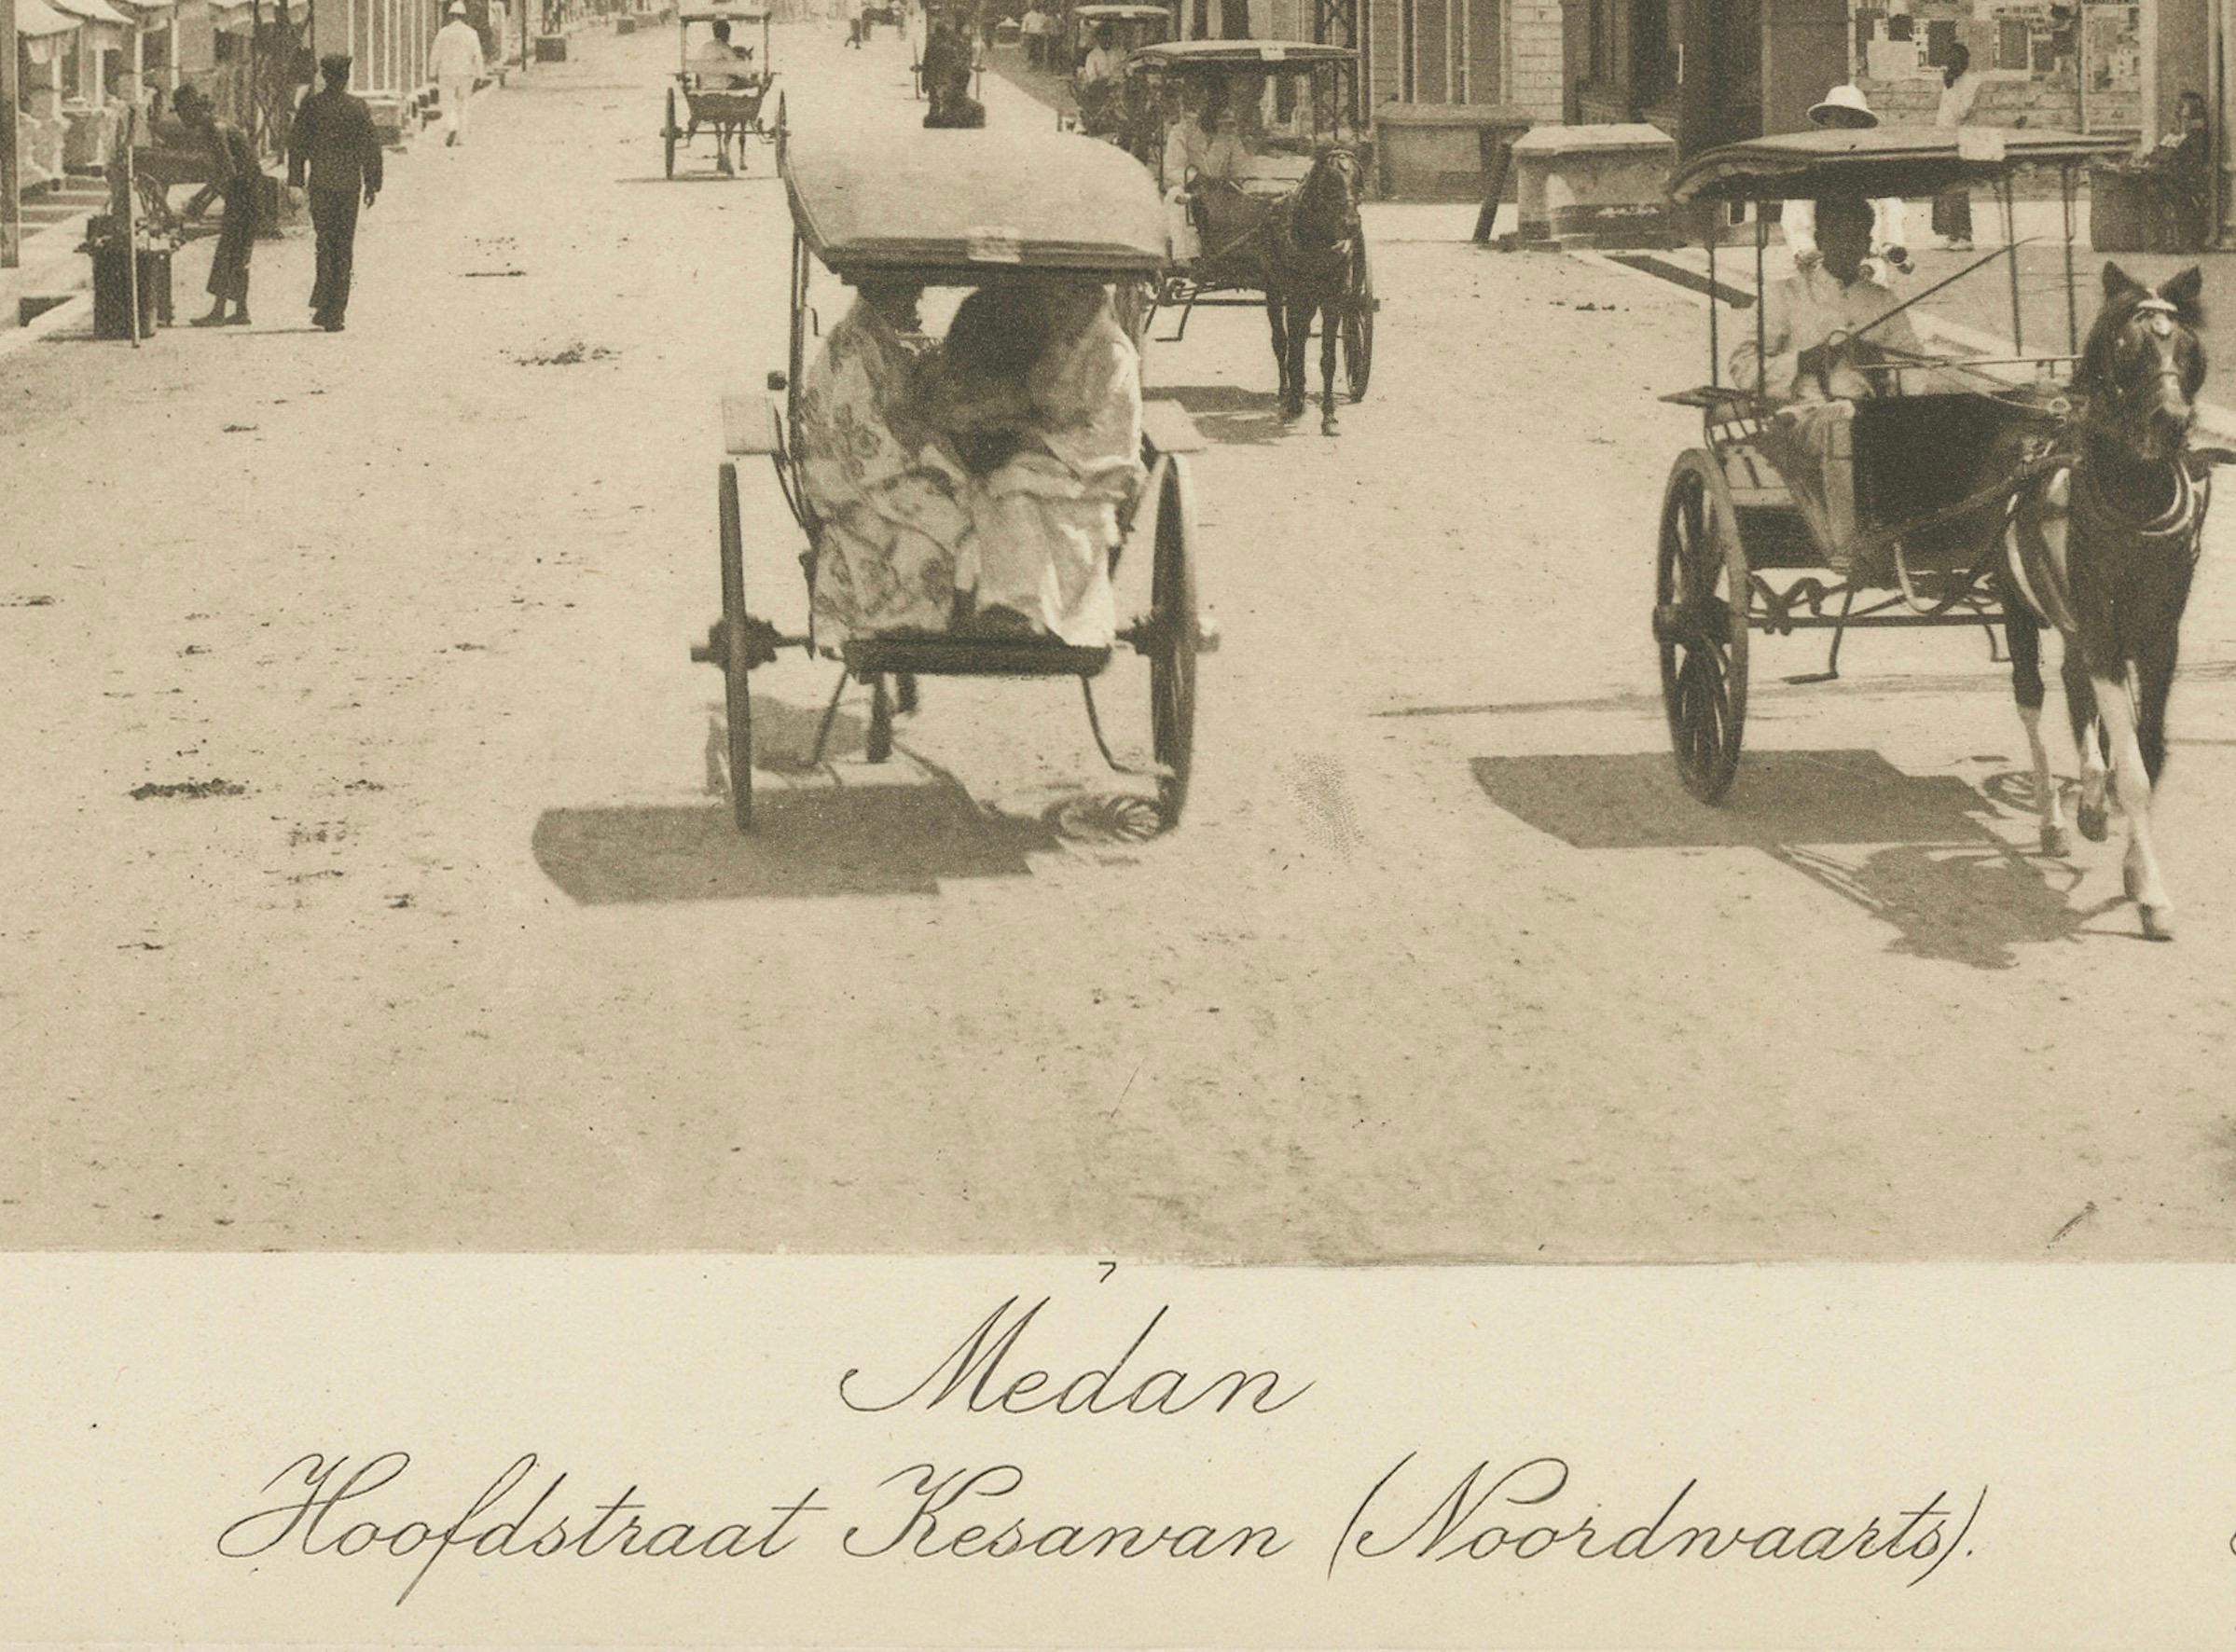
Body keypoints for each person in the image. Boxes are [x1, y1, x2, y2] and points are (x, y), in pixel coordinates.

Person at [912, 279, 1143, 642]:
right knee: (994, 475)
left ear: (1093, 296)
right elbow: (1041, 401)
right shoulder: (1074, 342)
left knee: (1008, 483)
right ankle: (998, 595)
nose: (1061, 307)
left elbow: (1092, 426)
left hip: (1093, 462)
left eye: (1071, 296)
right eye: (1057, 297)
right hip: (1062, 452)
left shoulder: (1110, 349)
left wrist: (1028, 433)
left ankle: (1020, 605)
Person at [1732, 195, 1943, 569]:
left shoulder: (1881, 301)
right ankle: (1849, 546)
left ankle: (1932, 535)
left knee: (1944, 416)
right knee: (1842, 420)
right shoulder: (1785, 296)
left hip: (1876, 414)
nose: (1849, 246)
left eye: (1858, 236)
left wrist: (1877, 360)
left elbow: (1916, 368)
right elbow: (1743, 366)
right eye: (1838, 236)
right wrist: (1804, 361)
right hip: (1802, 418)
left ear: (1868, 243)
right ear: (1821, 239)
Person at [796, 282, 972, 644]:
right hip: (852, 480)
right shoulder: (855, 348)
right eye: (911, 296)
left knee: (970, 495)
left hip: (877, 468)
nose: (917, 309)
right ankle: (919, 619)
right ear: (888, 297)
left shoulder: (876, 340)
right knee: (961, 518)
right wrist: (935, 465)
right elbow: (860, 434)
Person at [285, 54, 382, 333]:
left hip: (322, 185)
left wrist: (295, 181)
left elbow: (296, 145)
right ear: (346, 77)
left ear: (325, 76)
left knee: (325, 244)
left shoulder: (312, 106)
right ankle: (336, 312)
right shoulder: (357, 107)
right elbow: (371, 147)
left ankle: (325, 305)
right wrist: (373, 183)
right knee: (344, 247)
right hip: (349, 187)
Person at [1783, 85, 1911, 279]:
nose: (1845, 125)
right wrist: (1807, 251)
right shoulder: (1812, 166)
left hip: (1870, 266)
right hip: (1822, 265)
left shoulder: (1874, 166)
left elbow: (1891, 211)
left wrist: (1893, 246)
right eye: (1839, 118)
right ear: (1826, 120)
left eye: (1853, 120)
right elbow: (1797, 218)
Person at [176, 86, 265, 327]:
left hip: (244, 193)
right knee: (239, 251)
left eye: (183, 112)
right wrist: (202, 198)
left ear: (193, 108)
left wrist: (201, 200)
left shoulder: (213, 129)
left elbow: (228, 171)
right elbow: (223, 172)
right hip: (247, 191)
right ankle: (241, 310)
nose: (182, 118)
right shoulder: (216, 124)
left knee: (230, 251)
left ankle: (219, 312)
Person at [1160, 81, 1248, 260]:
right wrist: (1198, 180)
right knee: (1176, 198)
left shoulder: (1229, 137)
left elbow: (1240, 169)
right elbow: (1173, 169)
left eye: (1219, 107)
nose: (1214, 113)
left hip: (1224, 193)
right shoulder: (1181, 132)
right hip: (1191, 192)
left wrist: (1233, 181)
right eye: (1209, 107)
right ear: (1200, 107)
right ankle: (1185, 256)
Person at [1930, 46, 1984, 252]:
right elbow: (1943, 115)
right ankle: (1952, 235)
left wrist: (1952, 88)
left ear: (1965, 62)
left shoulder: (1973, 82)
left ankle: (1965, 235)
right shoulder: (1950, 81)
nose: (1951, 65)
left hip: (1962, 139)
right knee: (1946, 188)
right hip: (1944, 138)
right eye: (1949, 60)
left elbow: (1963, 113)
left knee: (1959, 188)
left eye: (1956, 61)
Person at [429, 2, 486, 148]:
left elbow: (436, 53)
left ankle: (452, 126)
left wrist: (433, 72)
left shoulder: (443, 33)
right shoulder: (471, 33)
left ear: (451, 16)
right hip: (466, 74)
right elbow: (477, 55)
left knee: (448, 103)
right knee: (463, 104)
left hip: (447, 73)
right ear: (463, 17)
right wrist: (480, 75)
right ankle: (461, 138)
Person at [692, 20, 748, 87]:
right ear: (726, 33)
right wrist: (744, 58)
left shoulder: (704, 46)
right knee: (749, 82)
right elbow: (737, 69)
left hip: (704, 84)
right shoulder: (724, 46)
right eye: (728, 33)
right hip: (723, 85)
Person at [1019, 1, 1048, 66]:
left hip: (1040, 34)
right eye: (1036, 6)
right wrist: (1024, 32)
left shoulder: (1043, 15)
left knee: (1040, 49)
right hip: (1031, 34)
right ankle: (1032, 62)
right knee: (1032, 49)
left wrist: (1045, 31)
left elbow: (1046, 24)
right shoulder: (1029, 15)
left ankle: (1039, 62)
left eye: (1039, 6)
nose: (1038, 7)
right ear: (1033, 6)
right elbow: (1024, 24)